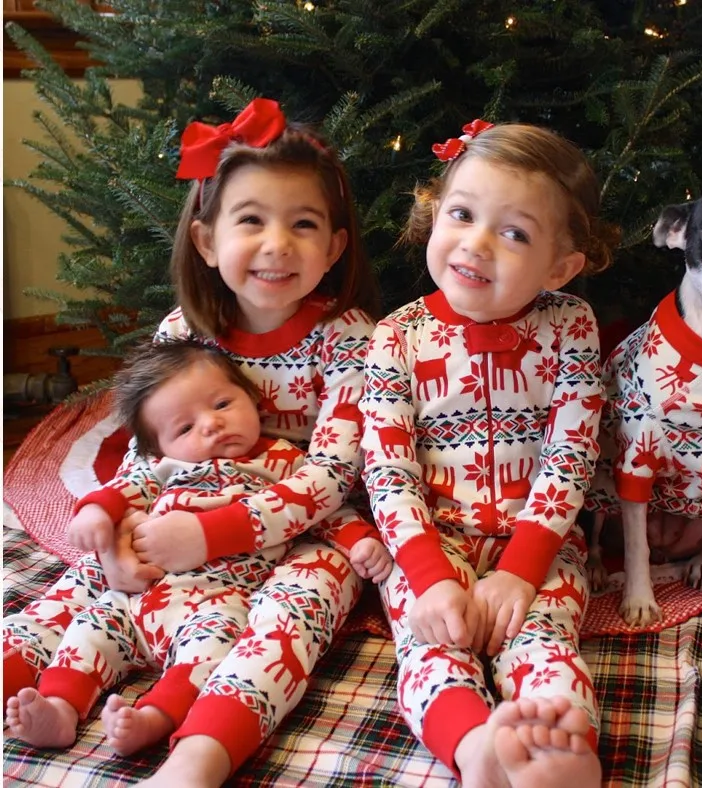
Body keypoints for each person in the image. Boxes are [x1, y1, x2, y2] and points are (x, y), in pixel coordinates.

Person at [3, 97, 382, 787]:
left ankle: (198, 756)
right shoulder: (185, 330)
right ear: (207, 242)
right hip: (176, 502)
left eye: (302, 224)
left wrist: (213, 536)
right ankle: (32, 684)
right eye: (251, 221)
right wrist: (117, 542)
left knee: (295, 618)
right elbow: (147, 452)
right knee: (80, 587)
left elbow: (332, 475)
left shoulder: (349, 338)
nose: (277, 244)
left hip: (308, 530)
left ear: (333, 246)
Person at [360, 119, 620, 788]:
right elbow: (388, 469)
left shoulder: (570, 326)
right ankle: (474, 747)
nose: (476, 243)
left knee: (544, 637)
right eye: (462, 215)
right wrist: (429, 576)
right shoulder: (397, 335)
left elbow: (570, 455)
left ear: (560, 267)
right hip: (429, 544)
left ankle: (559, 748)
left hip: (537, 543)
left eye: (515, 233)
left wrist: (523, 570)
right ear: (434, 213)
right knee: (431, 647)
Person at [6, 339, 391, 755]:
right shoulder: (164, 468)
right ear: (160, 446)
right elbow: (120, 491)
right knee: (88, 632)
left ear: (253, 399)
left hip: (218, 602)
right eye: (185, 428)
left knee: (208, 656)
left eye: (223, 404)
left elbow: (321, 508)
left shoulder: (283, 462)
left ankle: (153, 718)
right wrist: (95, 514)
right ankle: (60, 708)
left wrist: (361, 540)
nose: (211, 424)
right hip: (138, 598)